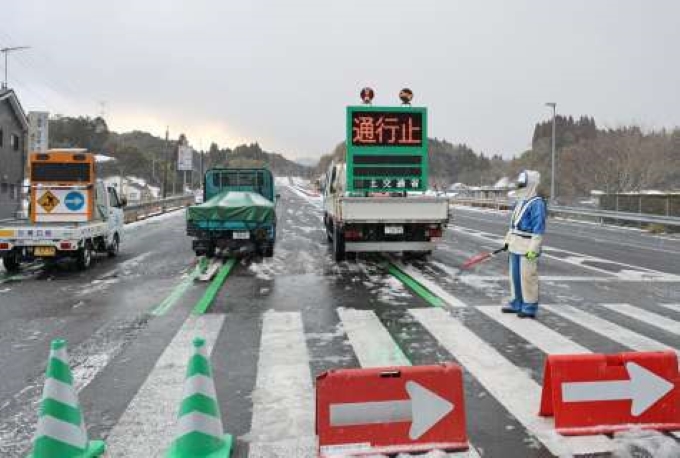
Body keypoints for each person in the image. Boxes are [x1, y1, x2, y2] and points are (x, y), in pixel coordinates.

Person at [502, 170, 546, 318]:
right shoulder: (520, 201)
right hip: (515, 244)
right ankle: (517, 302)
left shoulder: (537, 203)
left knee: (527, 277)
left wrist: (534, 248)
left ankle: (529, 306)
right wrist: (507, 241)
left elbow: (538, 229)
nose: (520, 186)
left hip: (527, 246)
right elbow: (512, 225)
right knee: (515, 277)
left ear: (531, 184)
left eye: (523, 184)